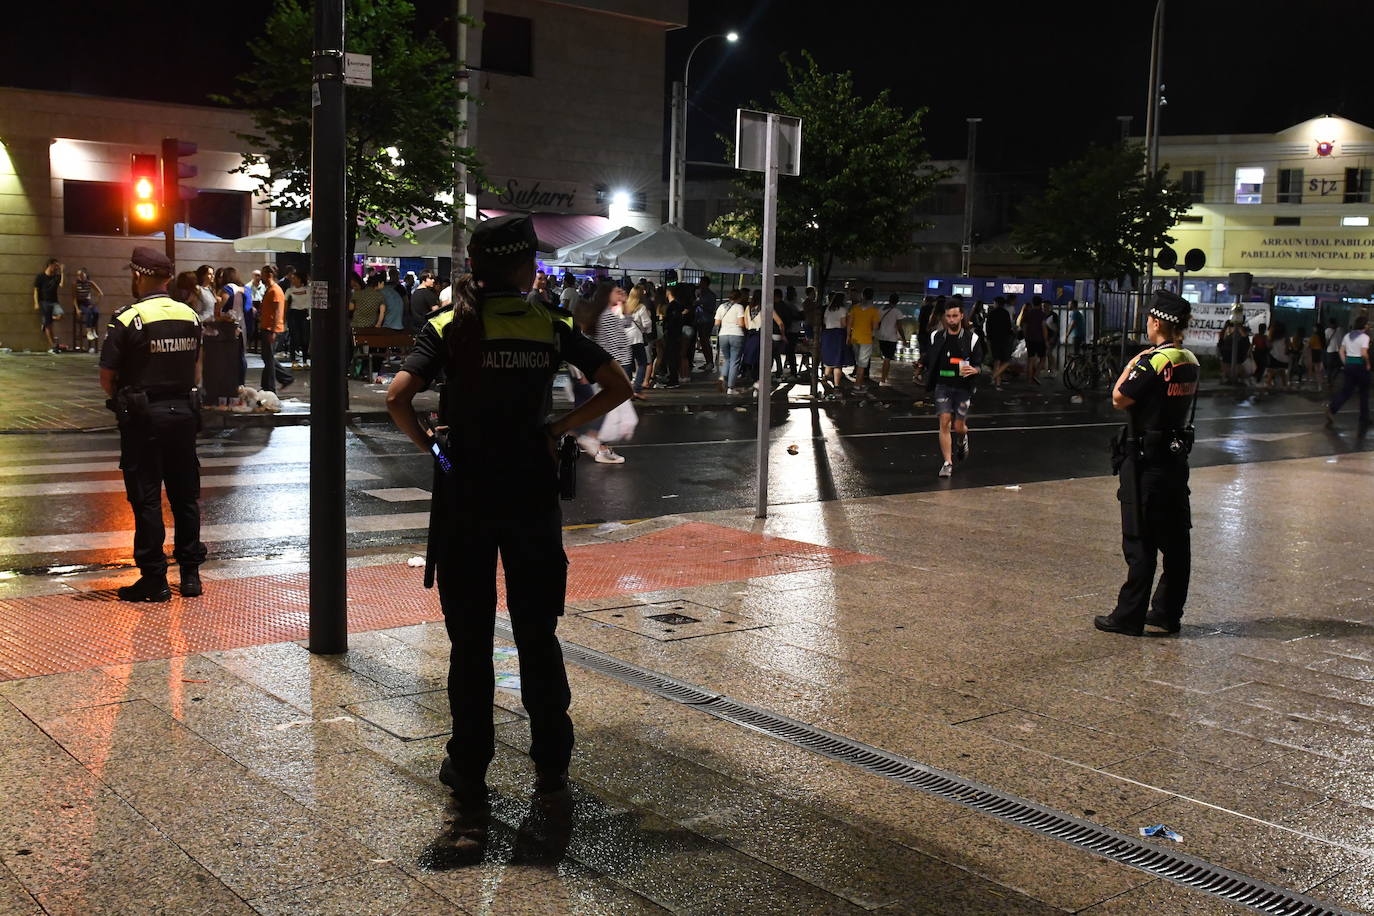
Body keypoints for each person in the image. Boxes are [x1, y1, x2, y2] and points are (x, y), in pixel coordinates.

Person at [385, 214, 630, 826]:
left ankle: (468, 781)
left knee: (469, 645)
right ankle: (551, 775)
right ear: (525, 270)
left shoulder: (448, 326)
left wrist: (432, 448)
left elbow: (395, 397)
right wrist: (556, 429)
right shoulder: (549, 324)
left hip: (464, 496)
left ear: (473, 267)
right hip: (530, 494)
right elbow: (616, 384)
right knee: (536, 638)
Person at [100, 246, 206, 602]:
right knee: (185, 496)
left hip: (144, 420)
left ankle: (154, 579)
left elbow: (106, 376)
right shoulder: (190, 315)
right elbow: (195, 368)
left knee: (146, 499)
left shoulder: (128, 318)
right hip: (184, 416)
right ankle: (190, 576)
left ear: (140, 275)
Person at [1095, 290, 1199, 636]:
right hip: (1174, 459)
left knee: (1140, 539)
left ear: (1156, 322)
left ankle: (1129, 617)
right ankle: (1167, 613)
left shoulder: (1153, 360)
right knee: (1176, 541)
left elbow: (1119, 397)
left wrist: (1130, 365)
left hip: (1145, 461)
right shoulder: (1190, 360)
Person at [921, 297, 982, 478]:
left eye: (955, 316)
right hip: (942, 386)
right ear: (944, 317)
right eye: (948, 316)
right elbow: (931, 357)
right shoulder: (936, 336)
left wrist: (975, 369)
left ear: (961, 316)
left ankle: (963, 437)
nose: (951, 320)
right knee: (944, 422)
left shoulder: (972, 339)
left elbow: (979, 364)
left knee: (959, 425)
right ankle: (948, 462)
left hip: (963, 387)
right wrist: (921, 364)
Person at [1325, 315, 1370, 431]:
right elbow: (1364, 353)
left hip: (1349, 365)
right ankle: (1364, 418)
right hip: (1360, 365)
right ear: (1364, 326)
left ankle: (1332, 409)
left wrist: (1346, 362)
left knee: (1346, 391)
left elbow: (1341, 350)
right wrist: (1368, 363)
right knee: (1364, 392)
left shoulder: (1348, 336)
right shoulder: (1365, 337)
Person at [255, 265, 294, 392]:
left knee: (269, 359)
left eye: (263, 274)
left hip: (271, 328)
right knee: (267, 358)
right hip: (267, 326)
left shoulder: (275, 290)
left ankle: (271, 386)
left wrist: (273, 330)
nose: (261, 277)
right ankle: (269, 384)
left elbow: (278, 312)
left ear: (269, 275)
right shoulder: (270, 289)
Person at [623, 283, 653, 399]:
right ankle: (637, 389)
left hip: (625, 338)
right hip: (636, 338)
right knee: (642, 363)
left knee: (627, 364)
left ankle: (626, 389)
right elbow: (647, 324)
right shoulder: (641, 307)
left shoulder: (625, 306)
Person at [714, 289, 747, 394]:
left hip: (723, 335)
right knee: (735, 361)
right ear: (739, 298)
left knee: (728, 359)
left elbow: (717, 323)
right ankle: (731, 388)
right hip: (736, 335)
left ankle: (722, 378)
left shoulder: (721, 307)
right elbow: (741, 323)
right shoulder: (739, 307)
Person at [820, 292, 852, 396]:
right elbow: (843, 324)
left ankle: (825, 378)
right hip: (838, 335)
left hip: (827, 334)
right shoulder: (843, 309)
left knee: (829, 360)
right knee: (838, 362)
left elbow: (824, 322)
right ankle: (837, 387)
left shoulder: (828, 309)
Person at [848, 287, 881, 388]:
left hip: (855, 337)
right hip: (866, 339)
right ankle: (858, 385)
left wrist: (848, 336)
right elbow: (875, 327)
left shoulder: (855, 309)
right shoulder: (874, 311)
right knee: (862, 364)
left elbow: (849, 323)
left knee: (858, 362)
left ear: (863, 296)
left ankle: (858, 383)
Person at [33, 258, 64, 352]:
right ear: (50, 265)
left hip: (54, 302)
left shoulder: (56, 276)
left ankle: (46, 320)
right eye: (55, 266)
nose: (56, 268)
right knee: (48, 326)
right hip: (44, 302)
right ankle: (53, 346)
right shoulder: (40, 276)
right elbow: (36, 291)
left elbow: (62, 285)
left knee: (60, 315)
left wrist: (62, 272)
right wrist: (36, 303)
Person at [1018, 294, 1049, 385]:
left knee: (1030, 359)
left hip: (1029, 339)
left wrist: (1026, 337)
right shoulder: (1042, 314)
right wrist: (1046, 340)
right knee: (1043, 358)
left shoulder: (1028, 314)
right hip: (1040, 339)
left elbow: (1024, 327)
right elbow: (1044, 328)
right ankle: (1036, 375)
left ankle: (1029, 380)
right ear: (1040, 304)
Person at [72, 267, 104, 353]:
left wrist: (94, 304)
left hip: (87, 302)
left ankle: (93, 329)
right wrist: (77, 309)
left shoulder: (90, 283)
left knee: (96, 312)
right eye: (78, 275)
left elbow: (100, 293)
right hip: (80, 303)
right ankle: (88, 331)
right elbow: (74, 298)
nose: (80, 277)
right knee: (88, 312)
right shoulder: (75, 284)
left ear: (86, 275)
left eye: (82, 275)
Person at [985, 296, 1014, 389]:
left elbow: (988, 327)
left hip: (993, 340)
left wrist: (988, 339)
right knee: (1006, 361)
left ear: (996, 303)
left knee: (997, 360)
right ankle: (995, 379)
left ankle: (997, 381)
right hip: (1004, 339)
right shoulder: (1005, 313)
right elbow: (1009, 327)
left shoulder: (991, 313)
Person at [285, 269, 311, 368]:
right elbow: (285, 303)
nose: (292, 280)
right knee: (294, 337)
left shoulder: (308, 289)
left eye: (294, 278)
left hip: (305, 313)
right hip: (294, 314)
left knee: (305, 337)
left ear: (300, 279)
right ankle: (293, 360)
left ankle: (305, 361)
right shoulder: (290, 290)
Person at [876, 293, 902, 386]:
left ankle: (885, 378)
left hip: (881, 336)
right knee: (887, 359)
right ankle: (883, 380)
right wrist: (903, 338)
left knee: (885, 358)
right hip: (891, 338)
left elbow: (877, 323)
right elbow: (899, 326)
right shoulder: (897, 312)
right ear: (897, 301)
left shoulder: (881, 309)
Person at [693, 277, 717, 376]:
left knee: (705, 340)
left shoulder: (710, 295)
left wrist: (700, 303)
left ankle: (710, 362)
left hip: (706, 320)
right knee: (702, 341)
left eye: (702, 283)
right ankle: (708, 361)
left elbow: (710, 307)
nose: (700, 285)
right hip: (699, 319)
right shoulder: (701, 294)